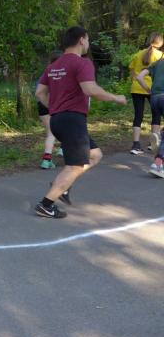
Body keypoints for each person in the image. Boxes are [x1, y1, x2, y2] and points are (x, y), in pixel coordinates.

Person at [34, 26, 127, 218]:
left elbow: (39, 93)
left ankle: (63, 186)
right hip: (72, 120)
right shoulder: (82, 63)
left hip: (58, 120)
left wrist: (54, 107)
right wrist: (116, 97)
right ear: (82, 40)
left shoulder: (53, 66)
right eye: (88, 39)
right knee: (75, 166)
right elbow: (90, 89)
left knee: (95, 155)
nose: (88, 43)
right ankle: (46, 205)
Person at [128, 33, 163, 155]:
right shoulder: (161, 55)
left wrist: (135, 80)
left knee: (138, 116)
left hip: (136, 88)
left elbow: (132, 70)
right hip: (152, 88)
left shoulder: (138, 54)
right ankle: (152, 143)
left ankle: (135, 145)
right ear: (161, 43)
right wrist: (149, 89)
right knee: (156, 115)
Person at [133, 52, 164, 177]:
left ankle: (159, 139)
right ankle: (158, 164)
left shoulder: (156, 63)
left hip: (155, 98)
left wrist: (149, 91)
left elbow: (140, 77)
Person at [38, 50, 63, 169]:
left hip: (42, 105)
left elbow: (38, 91)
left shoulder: (45, 72)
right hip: (54, 105)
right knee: (60, 129)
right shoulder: (61, 73)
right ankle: (48, 159)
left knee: (51, 133)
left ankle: (48, 158)